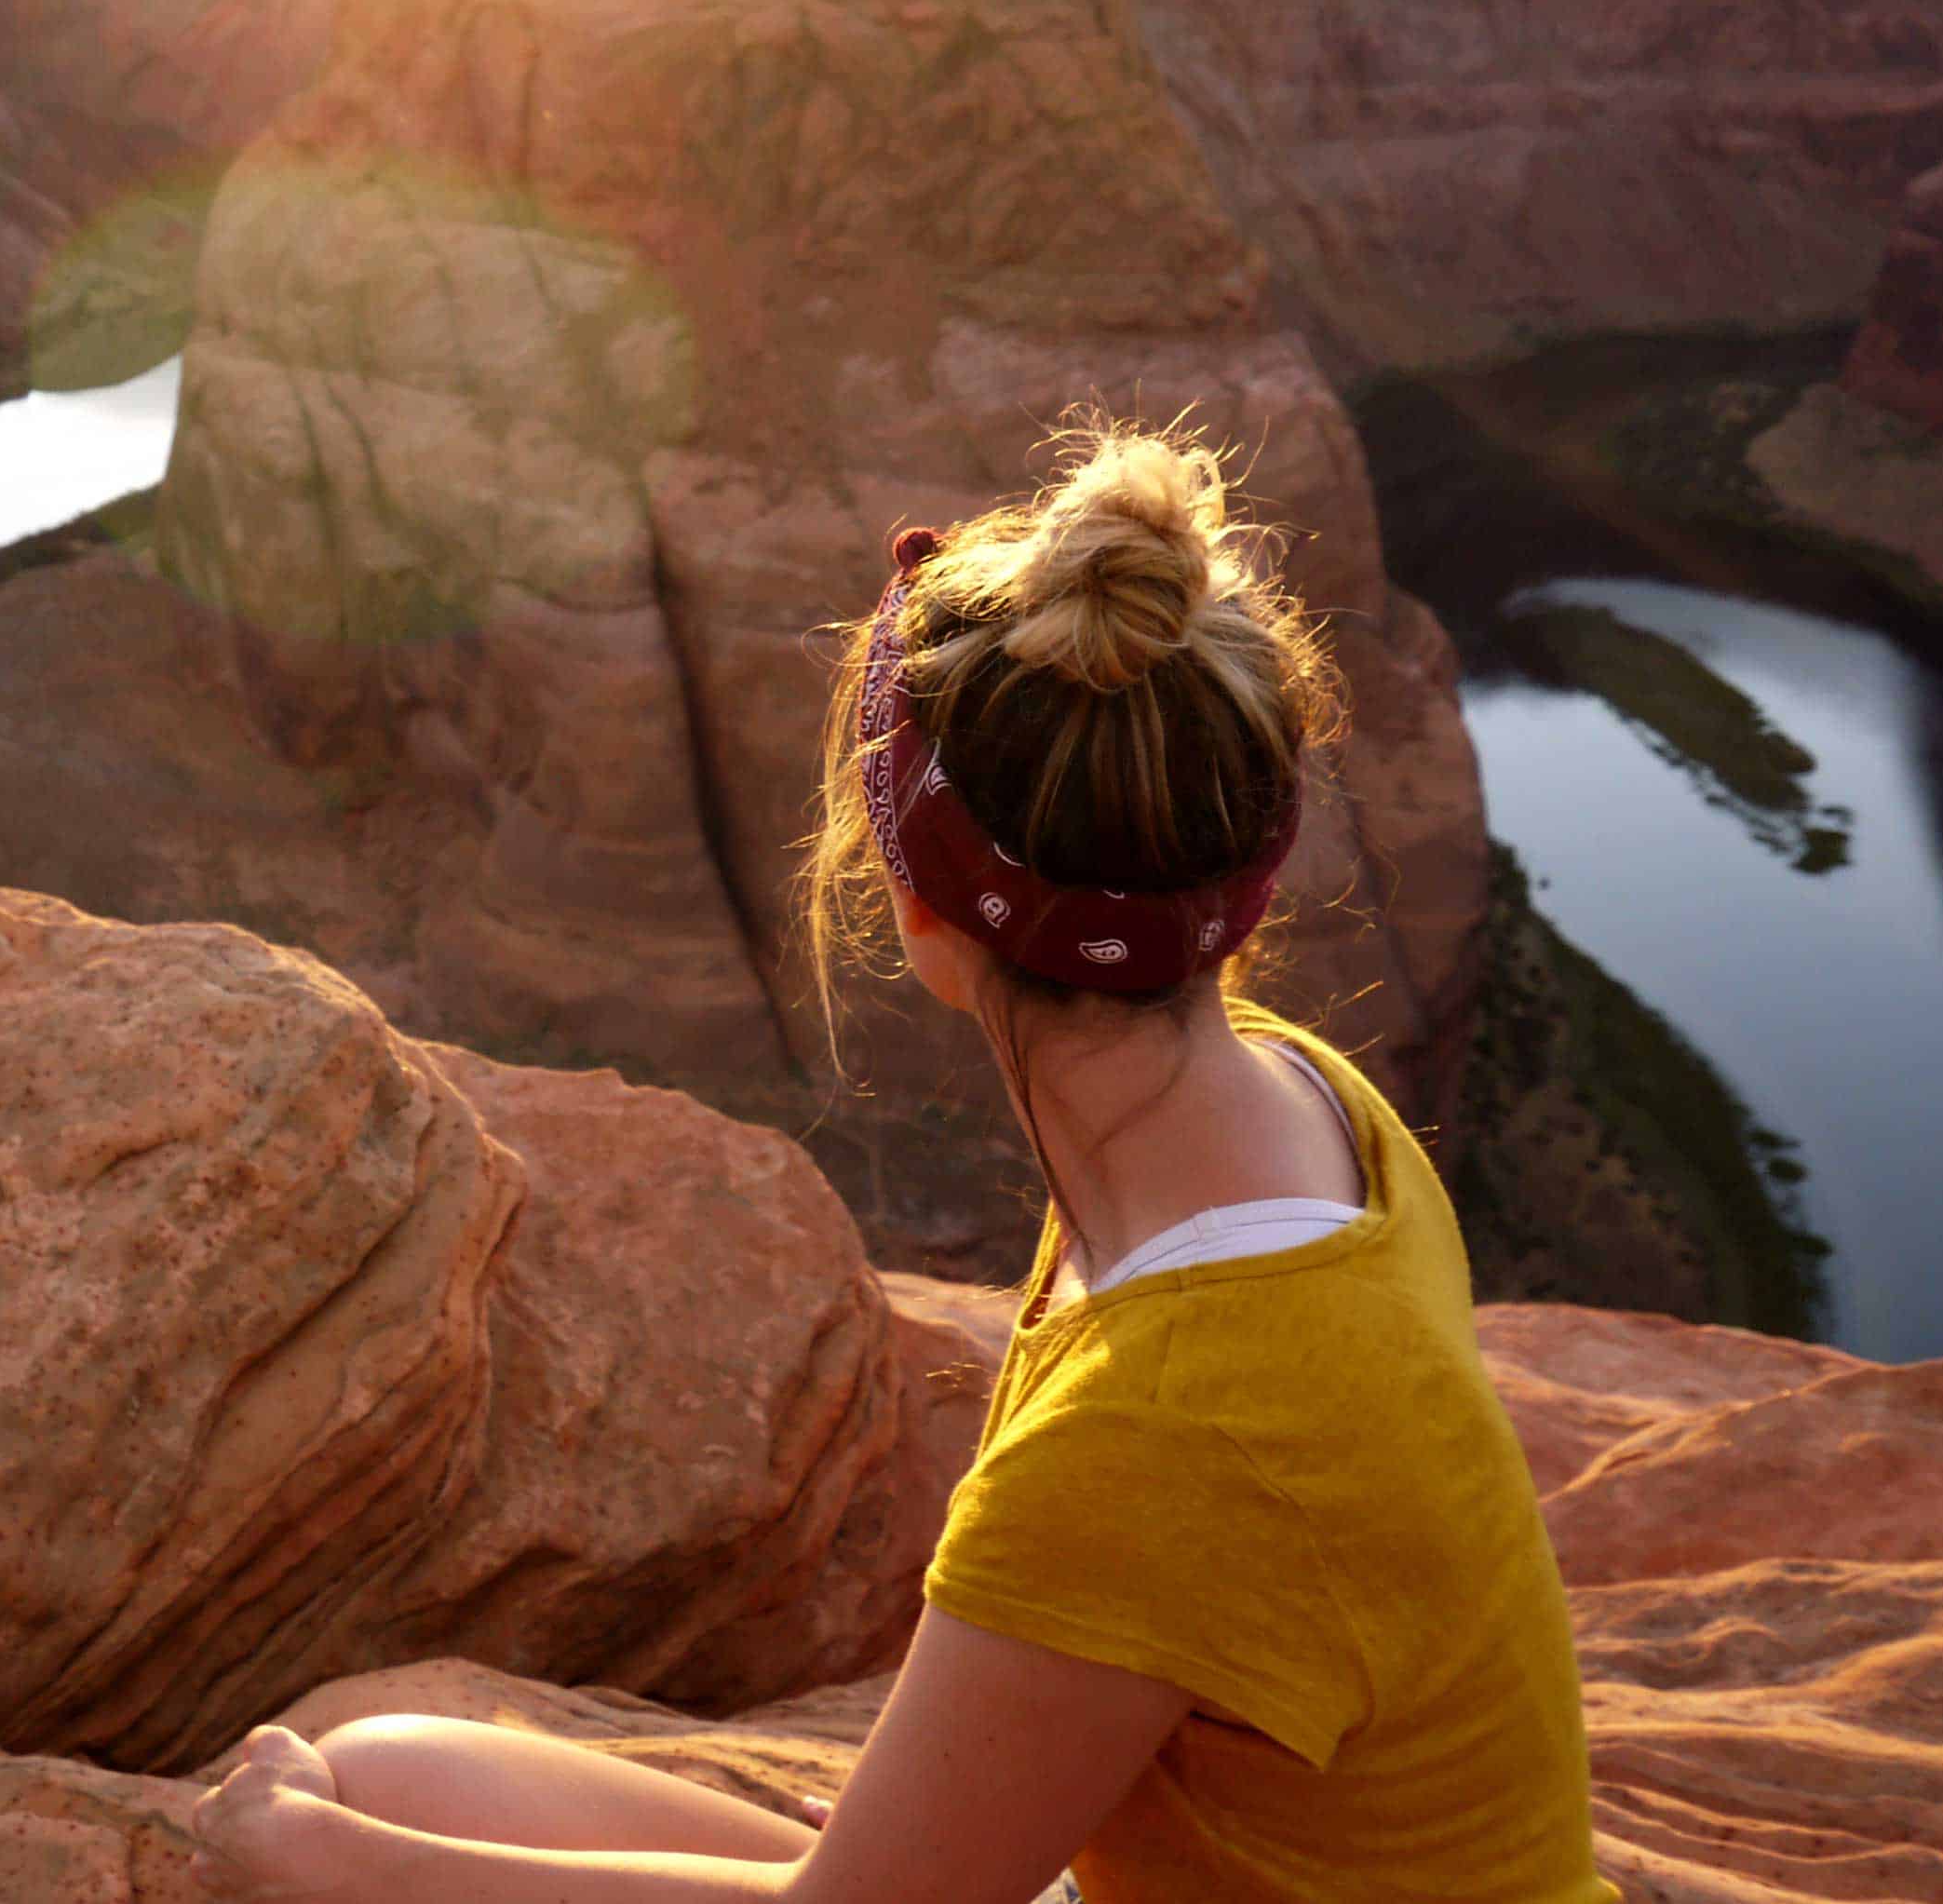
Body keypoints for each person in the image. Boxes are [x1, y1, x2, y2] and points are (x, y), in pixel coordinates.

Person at [190, 428, 1616, 1904]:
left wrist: (323, 1863)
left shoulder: (1162, 1436)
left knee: (325, 1839)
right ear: (1237, 886)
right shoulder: (1310, 1111)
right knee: (383, 1761)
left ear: (925, 917)